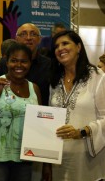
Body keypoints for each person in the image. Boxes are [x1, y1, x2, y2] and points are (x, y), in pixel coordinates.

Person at [0, 42, 42, 181]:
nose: (19, 65)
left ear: (30, 64)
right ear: (7, 62)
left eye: (24, 61)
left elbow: (39, 126)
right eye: (14, 61)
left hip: (24, 157)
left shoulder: (34, 89)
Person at [48, 30, 105, 180]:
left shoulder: (97, 77)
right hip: (58, 157)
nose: (60, 48)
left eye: (65, 43)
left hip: (86, 157)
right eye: (56, 46)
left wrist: (82, 132)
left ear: (79, 47)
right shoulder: (54, 81)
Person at [0, 23, 51, 106]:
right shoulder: (5, 62)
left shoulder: (48, 65)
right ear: (16, 39)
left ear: (39, 39)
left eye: (33, 34)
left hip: (38, 115)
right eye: (23, 34)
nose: (28, 38)